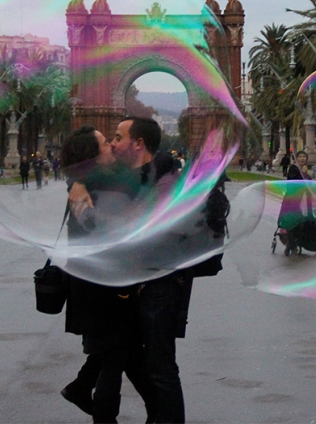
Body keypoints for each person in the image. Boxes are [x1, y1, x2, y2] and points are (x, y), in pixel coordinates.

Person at [69, 117, 191, 423]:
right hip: (107, 282)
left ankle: (90, 394)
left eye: (116, 138)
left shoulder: (152, 177)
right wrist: (79, 182)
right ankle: (101, 400)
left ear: (138, 143)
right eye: (107, 141)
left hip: (144, 281)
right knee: (122, 354)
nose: (112, 144)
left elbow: (145, 226)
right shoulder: (104, 182)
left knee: (132, 357)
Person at [59, 125, 149, 423]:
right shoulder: (89, 189)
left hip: (103, 279)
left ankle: (80, 388)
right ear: (92, 156)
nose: (111, 145)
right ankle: (103, 413)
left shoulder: (98, 181)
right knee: (116, 352)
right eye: (104, 143)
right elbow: (95, 227)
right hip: (101, 282)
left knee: (116, 348)